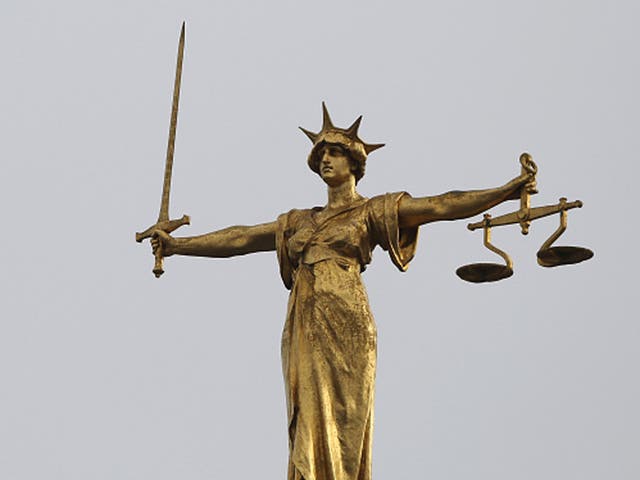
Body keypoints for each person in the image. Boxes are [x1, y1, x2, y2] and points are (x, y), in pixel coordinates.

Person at [151, 103, 536, 480]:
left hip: (346, 314)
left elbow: (441, 205)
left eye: (335, 152)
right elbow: (242, 238)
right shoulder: (298, 220)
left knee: (346, 418)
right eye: (321, 154)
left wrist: (507, 190)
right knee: (309, 417)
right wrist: (179, 246)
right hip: (306, 316)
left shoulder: (372, 211)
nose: (326, 160)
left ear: (355, 163)